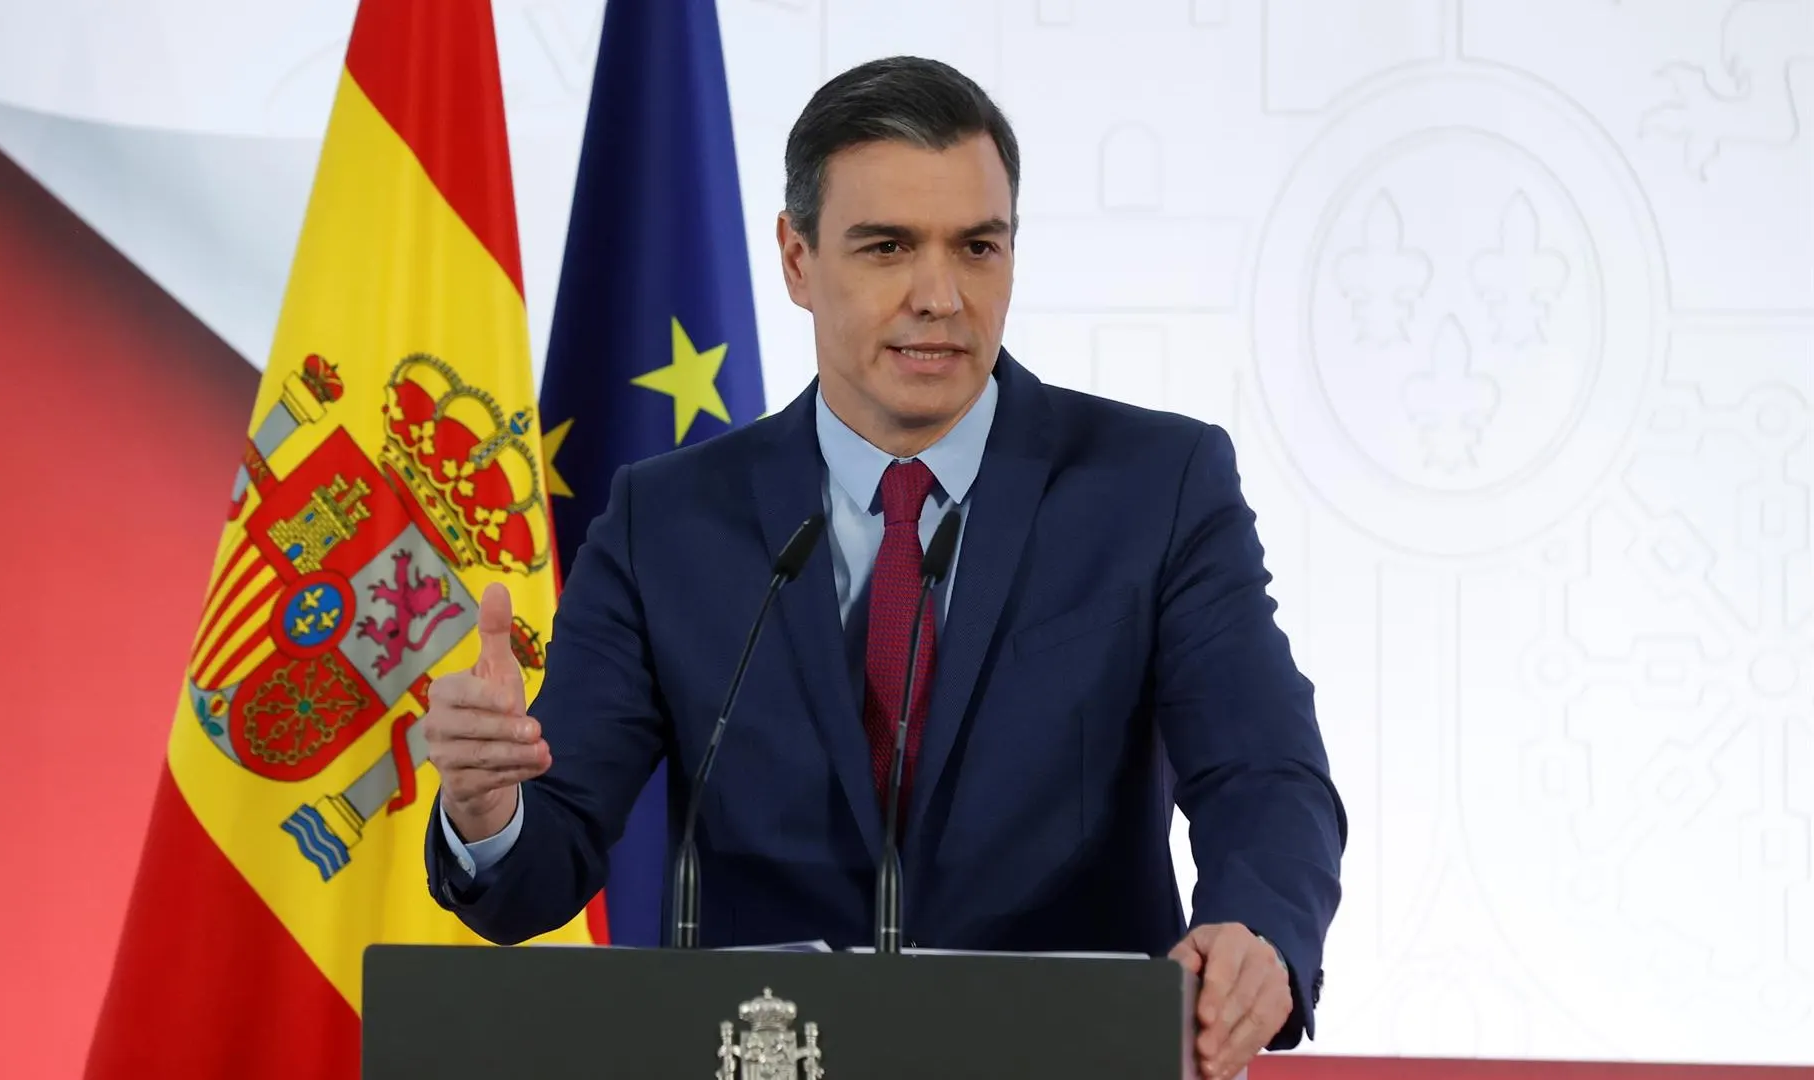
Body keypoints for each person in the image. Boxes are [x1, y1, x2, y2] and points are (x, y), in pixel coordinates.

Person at [422, 55, 1345, 1079]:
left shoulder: (1157, 486)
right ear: (797, 258)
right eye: (888, 246)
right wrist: (487, 811)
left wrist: (1255, 929)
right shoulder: (666, 521)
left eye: (977, 247)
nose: (940, 296)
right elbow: (540, 869)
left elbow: (1265, 770)